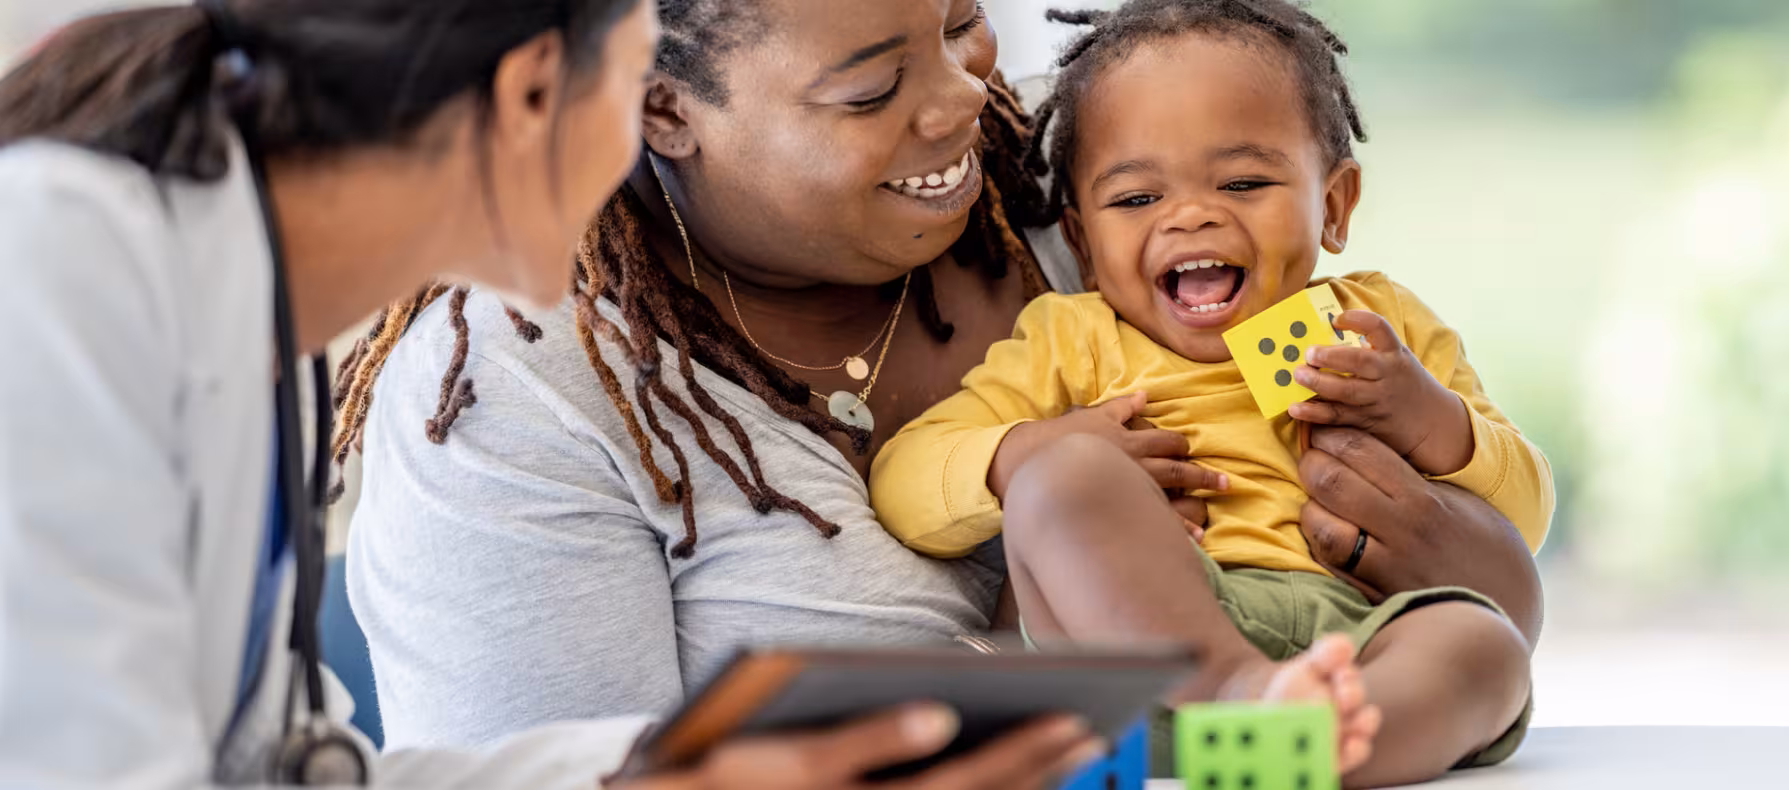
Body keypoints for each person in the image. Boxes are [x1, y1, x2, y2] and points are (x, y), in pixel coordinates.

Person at [336, 0, 1549, 765]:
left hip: (1319, 680)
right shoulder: (524, 390)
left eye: (962, 20)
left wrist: (1440, 511)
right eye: (868, 87)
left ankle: (1295, 737)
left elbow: (1496, 570)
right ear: (662, 108)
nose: (964, 99)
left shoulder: (1096, 219)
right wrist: (1034, 462)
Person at [0, 1, 1096, 787]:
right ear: (535, 92)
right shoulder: (61, 273)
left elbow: (285, 770)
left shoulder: (249, 321)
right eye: (633, 89)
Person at [869, 1, 1546, 785]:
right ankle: (1242, 695)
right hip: (1146, 657)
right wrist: (1029, 453)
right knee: (1063, 481)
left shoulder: (1376, 327)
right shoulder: (1072, 337)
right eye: (1135, 200)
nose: (1191, 215)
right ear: (1084, 244)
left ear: (1333, 205)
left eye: (1244, 181)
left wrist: (1430, 419)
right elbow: (905, 481)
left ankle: (1317, 747)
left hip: (1357, 642)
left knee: (1483, 642)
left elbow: (1523, 511)